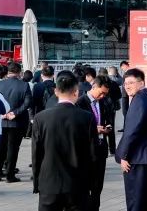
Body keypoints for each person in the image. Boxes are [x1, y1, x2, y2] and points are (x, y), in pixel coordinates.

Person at [33, 71, 94, 211]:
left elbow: (36, 154)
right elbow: (93, 155)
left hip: (49, 183)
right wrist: (91, 184)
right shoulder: (87, 117)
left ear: (56, 91)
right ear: (76, 92)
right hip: (78, 183)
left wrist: (37, 182)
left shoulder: (40, 118)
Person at [114, 68, 147, 211]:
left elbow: (131, 131)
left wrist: (123, 155)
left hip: (138, 158)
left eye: (131, 82)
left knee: (136, 200)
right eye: (125, 83)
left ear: (141, 83)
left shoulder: (139, 100)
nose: (127, 86)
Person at [76, 74, 115, 211]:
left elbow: (109, 120)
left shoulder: (104, 102)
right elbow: (77, 127)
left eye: (105, 94)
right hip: (86, 151)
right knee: (85, 185)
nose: (103, 96)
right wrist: (94, 130)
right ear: (94, 87)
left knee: (98, 186)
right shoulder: (80, 103)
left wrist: (107, 128)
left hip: (100, 149)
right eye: (101, 93)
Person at [0, 62, 32, 182]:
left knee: (1, 148)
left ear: (8, 72)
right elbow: (27, 102)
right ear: (19, 72)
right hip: (17, 121)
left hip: (2, 120)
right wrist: (15, 113)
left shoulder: (0, 84)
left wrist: (2, 113)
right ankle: (10, 174)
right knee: (13, 148)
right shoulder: (24, 85)